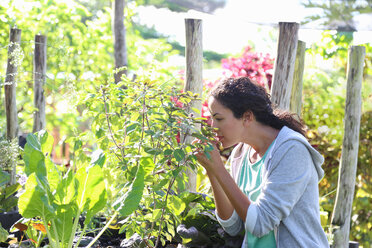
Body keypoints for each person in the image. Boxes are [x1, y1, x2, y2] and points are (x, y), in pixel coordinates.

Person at [195, 77, 329, 247]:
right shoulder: (240, 154)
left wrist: (219, 169)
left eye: (219, 119)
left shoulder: (292, 150)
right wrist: (212, 170)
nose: (212, 126)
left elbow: (260, 224)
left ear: (247, 117)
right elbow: (233, 226)